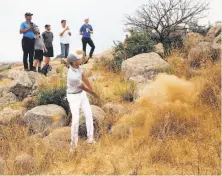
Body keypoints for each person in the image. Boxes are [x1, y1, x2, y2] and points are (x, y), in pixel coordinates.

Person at [66, 53, 99, 152]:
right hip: (73, 97)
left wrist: (92, 89)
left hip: (82, 95)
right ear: (73, 62)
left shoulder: (79, 68)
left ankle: (90, 138)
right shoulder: (71, 76)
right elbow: (83, 87)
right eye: (78, 59)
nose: (80, 60)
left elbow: (85, 79)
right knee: (75, 120)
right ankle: (73, 145)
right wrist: (94, 94)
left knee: (89, 114)